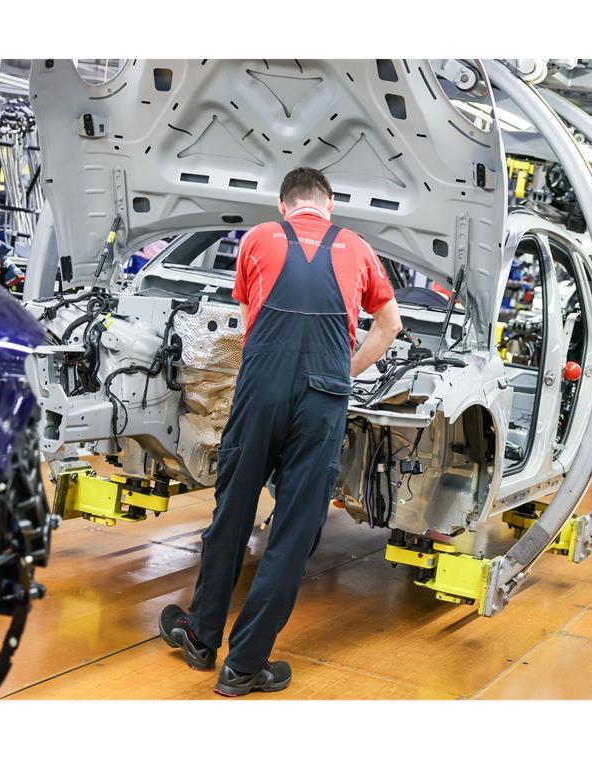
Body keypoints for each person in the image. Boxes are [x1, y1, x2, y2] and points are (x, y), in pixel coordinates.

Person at [158, 167, 402, 696]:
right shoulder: (358, 247)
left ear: (283, 205)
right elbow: (390, 327)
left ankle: (200, 639)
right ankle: (244, 666)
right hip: (323, 397)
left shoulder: (259, 237)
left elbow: (250, 316)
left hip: (261, 388)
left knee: (233, 512)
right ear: (330, 205)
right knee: (293, 531)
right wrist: (343, 370)